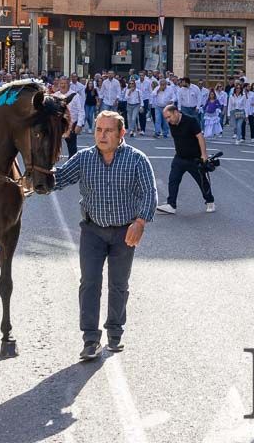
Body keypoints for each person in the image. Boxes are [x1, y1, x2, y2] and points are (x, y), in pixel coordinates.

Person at [52, 111, 158, 360]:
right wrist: (33, 178)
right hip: (92, 231)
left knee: (119, 284)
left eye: (108, 130)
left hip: (125, 232)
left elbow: (149, 194)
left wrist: (140, 222)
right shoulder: (84, 159)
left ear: (121, 133)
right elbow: (59, 179)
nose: (102, 135)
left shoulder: (137, 160)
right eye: (99, 130)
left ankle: (114, 331)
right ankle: (90, 339)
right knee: (89, 282)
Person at [157, 103, 214, 215]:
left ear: (176, 112)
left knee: (202, 181)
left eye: (169, 117)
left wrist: (204, 154)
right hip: (179, 157)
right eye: (166, 118)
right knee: (173, 180)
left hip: (194, 158)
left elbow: (200, 137)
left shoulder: (191, 121)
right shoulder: (172, 123)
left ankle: (210, 201)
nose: (168, 120)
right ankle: (171, 205)